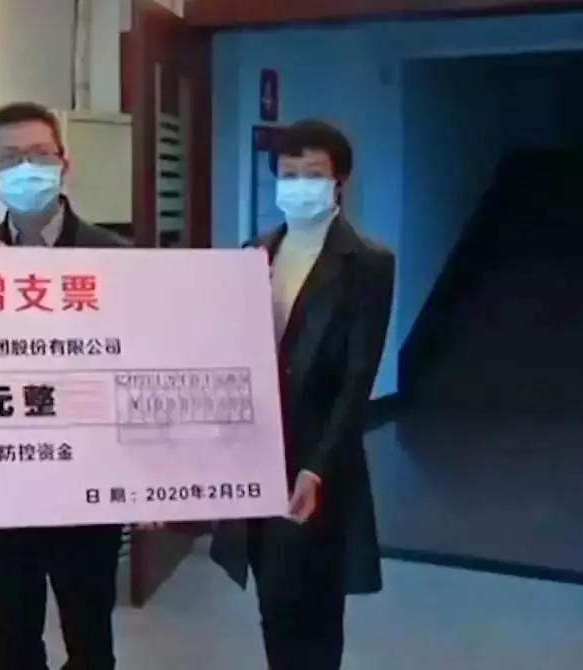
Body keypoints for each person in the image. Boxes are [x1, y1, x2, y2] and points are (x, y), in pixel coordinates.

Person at [210, 119, 395, 670]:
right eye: (288, 175)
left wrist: (317, 469)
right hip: (258, 450)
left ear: (340, 181)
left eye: (312, 174)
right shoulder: (256, 251)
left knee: (315, 600)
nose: (298, 186)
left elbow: (358, 378)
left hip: (319, 455)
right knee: (272, 597)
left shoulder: (367, 262)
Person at [0, 102, 129, 670]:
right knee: (12, 633)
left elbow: (136, 363)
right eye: (9, 158)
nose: (25, 168)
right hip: (3, 479)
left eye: (38, 154)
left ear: (64, 164)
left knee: (90, 632)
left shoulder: (117, 257)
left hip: (88, 478)